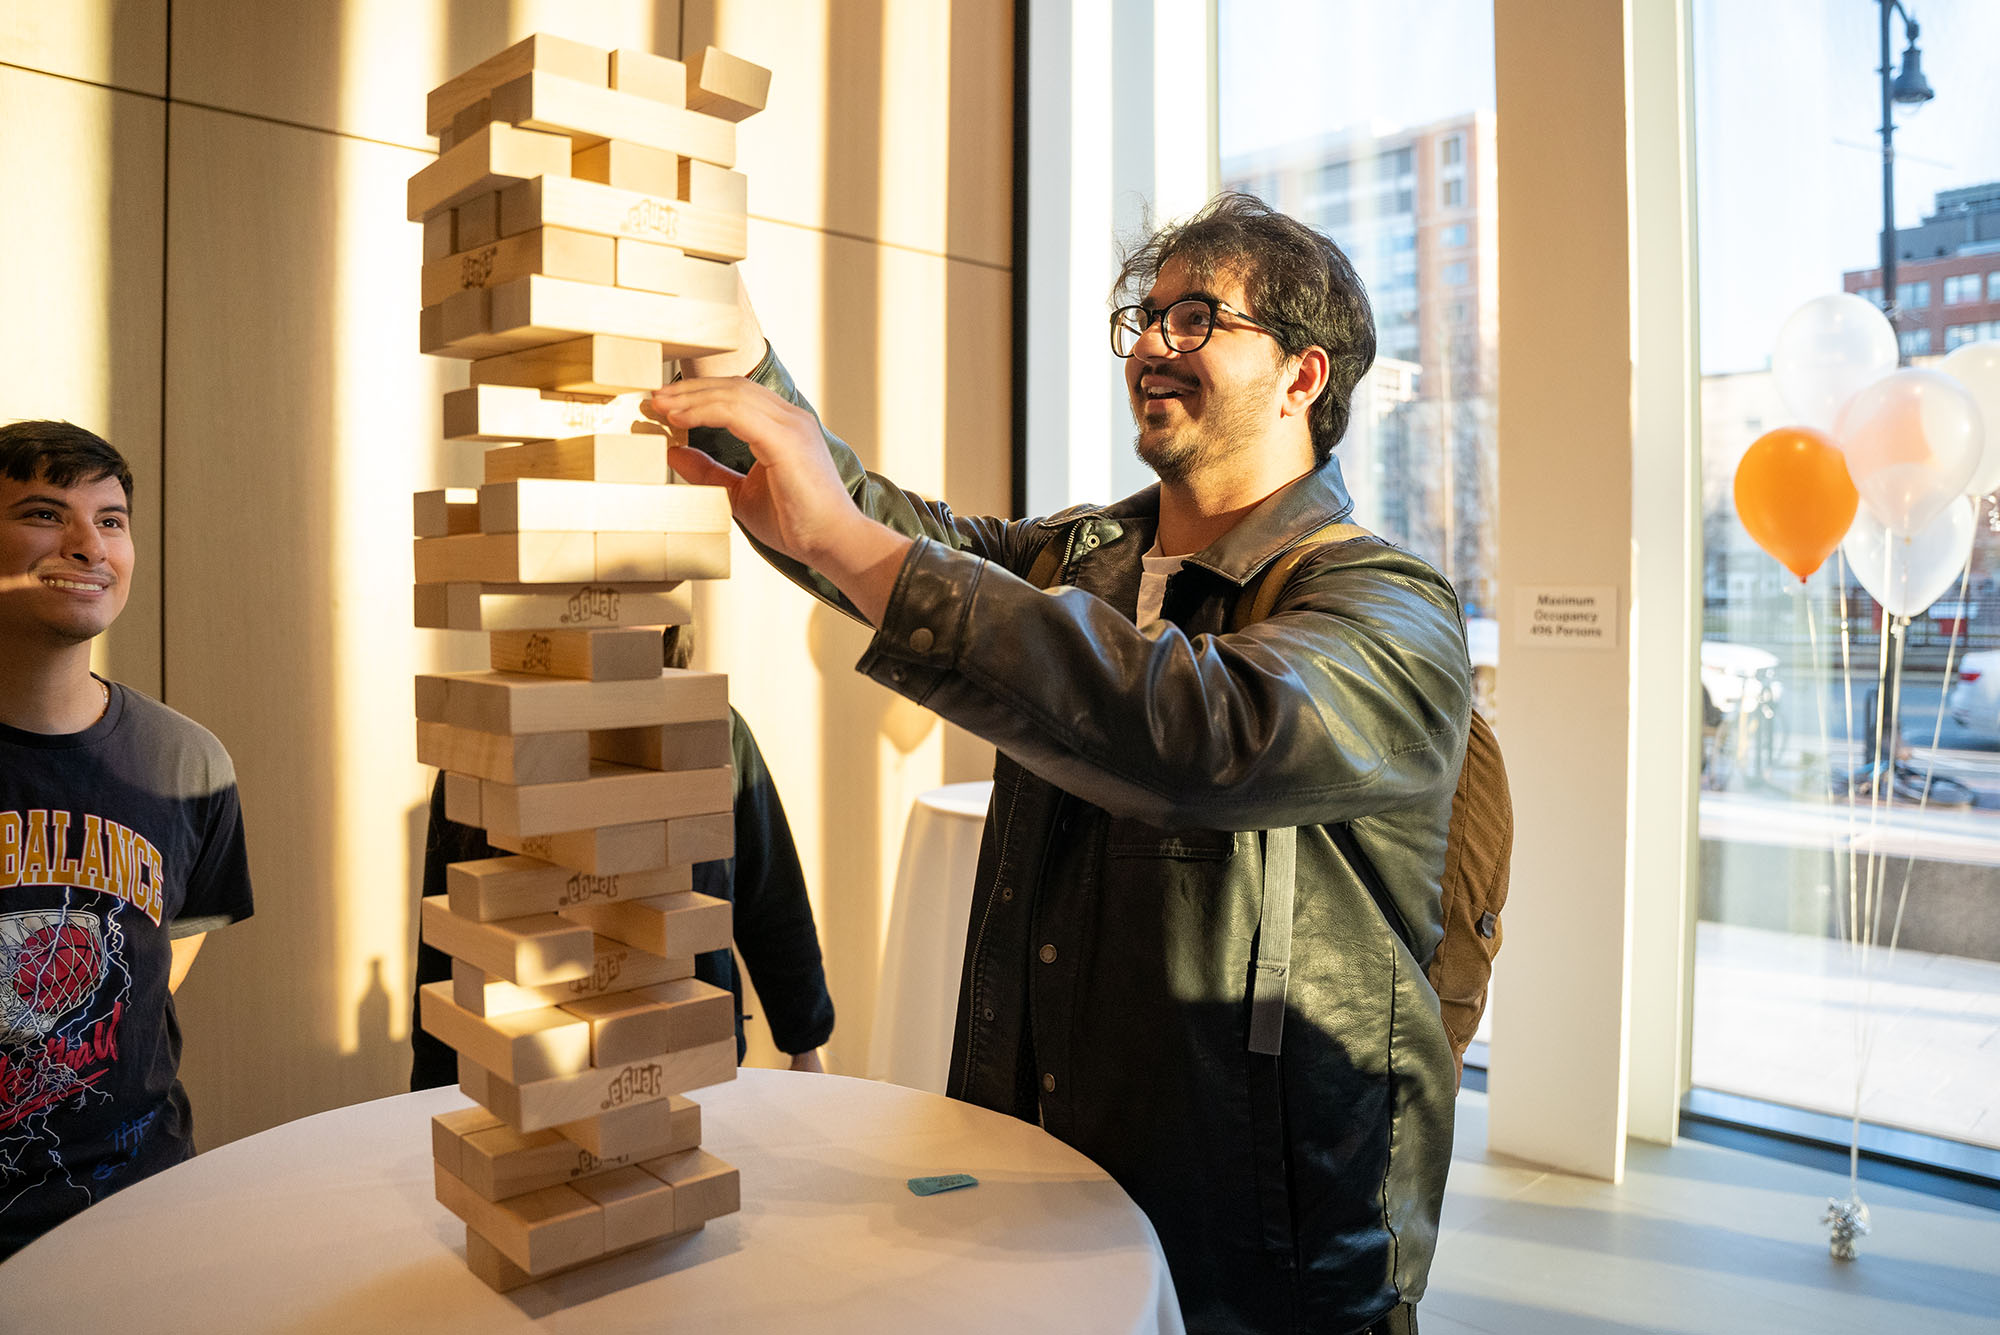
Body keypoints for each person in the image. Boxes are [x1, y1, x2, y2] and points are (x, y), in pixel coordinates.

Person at [643, 193, 1472, 1334]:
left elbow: (1206, 736)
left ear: (1301, 376)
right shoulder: (1082, 557)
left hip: (1263, 1248)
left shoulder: (1387, 604)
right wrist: (726, 341)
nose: (1149, 346)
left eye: (1195, 318)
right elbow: (878, 526)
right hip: (1048, 1180)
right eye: (1143, 316)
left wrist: (848, 534)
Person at [0, 420, 254, 1261]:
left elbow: (163, 959)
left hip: (141, 1219)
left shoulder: (191, 764)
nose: (87, 545)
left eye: (111, 520)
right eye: (45, 513)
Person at [409, 630, 834, 1088]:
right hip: (536, 1070)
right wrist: (431, 1087)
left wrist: (805, 1046)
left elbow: (772, 899)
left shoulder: (713, 733)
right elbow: (445, 945)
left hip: (692, 1061)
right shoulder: (484, 750)